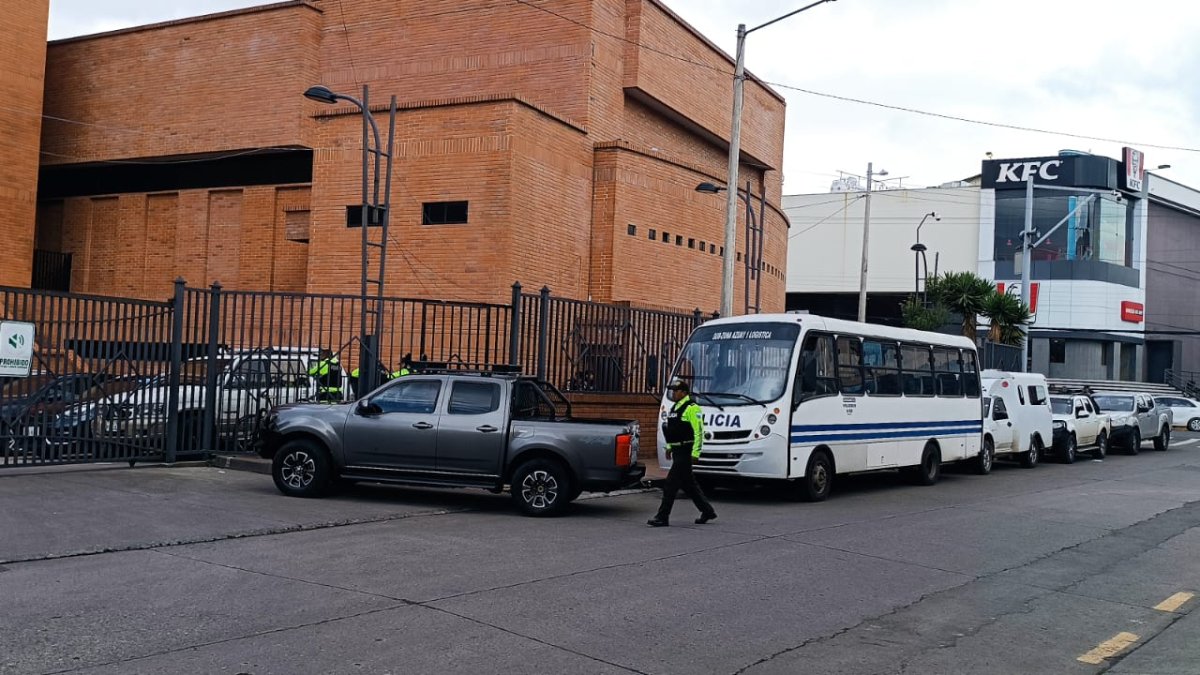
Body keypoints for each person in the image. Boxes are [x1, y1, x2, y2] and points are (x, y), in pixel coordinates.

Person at [648, 377, 716, 527]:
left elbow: (698, 431)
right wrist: (669, 447)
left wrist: (696, 453)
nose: (673, 393)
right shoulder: (675, 407)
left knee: (670, 484)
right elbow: (672, 430)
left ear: (684, 392)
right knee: (689, 485)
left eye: (676, 391)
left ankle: (662, 516)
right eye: (672, 391)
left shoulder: (692, 408)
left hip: (685, 451)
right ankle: (708, 511)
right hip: (677, 450)